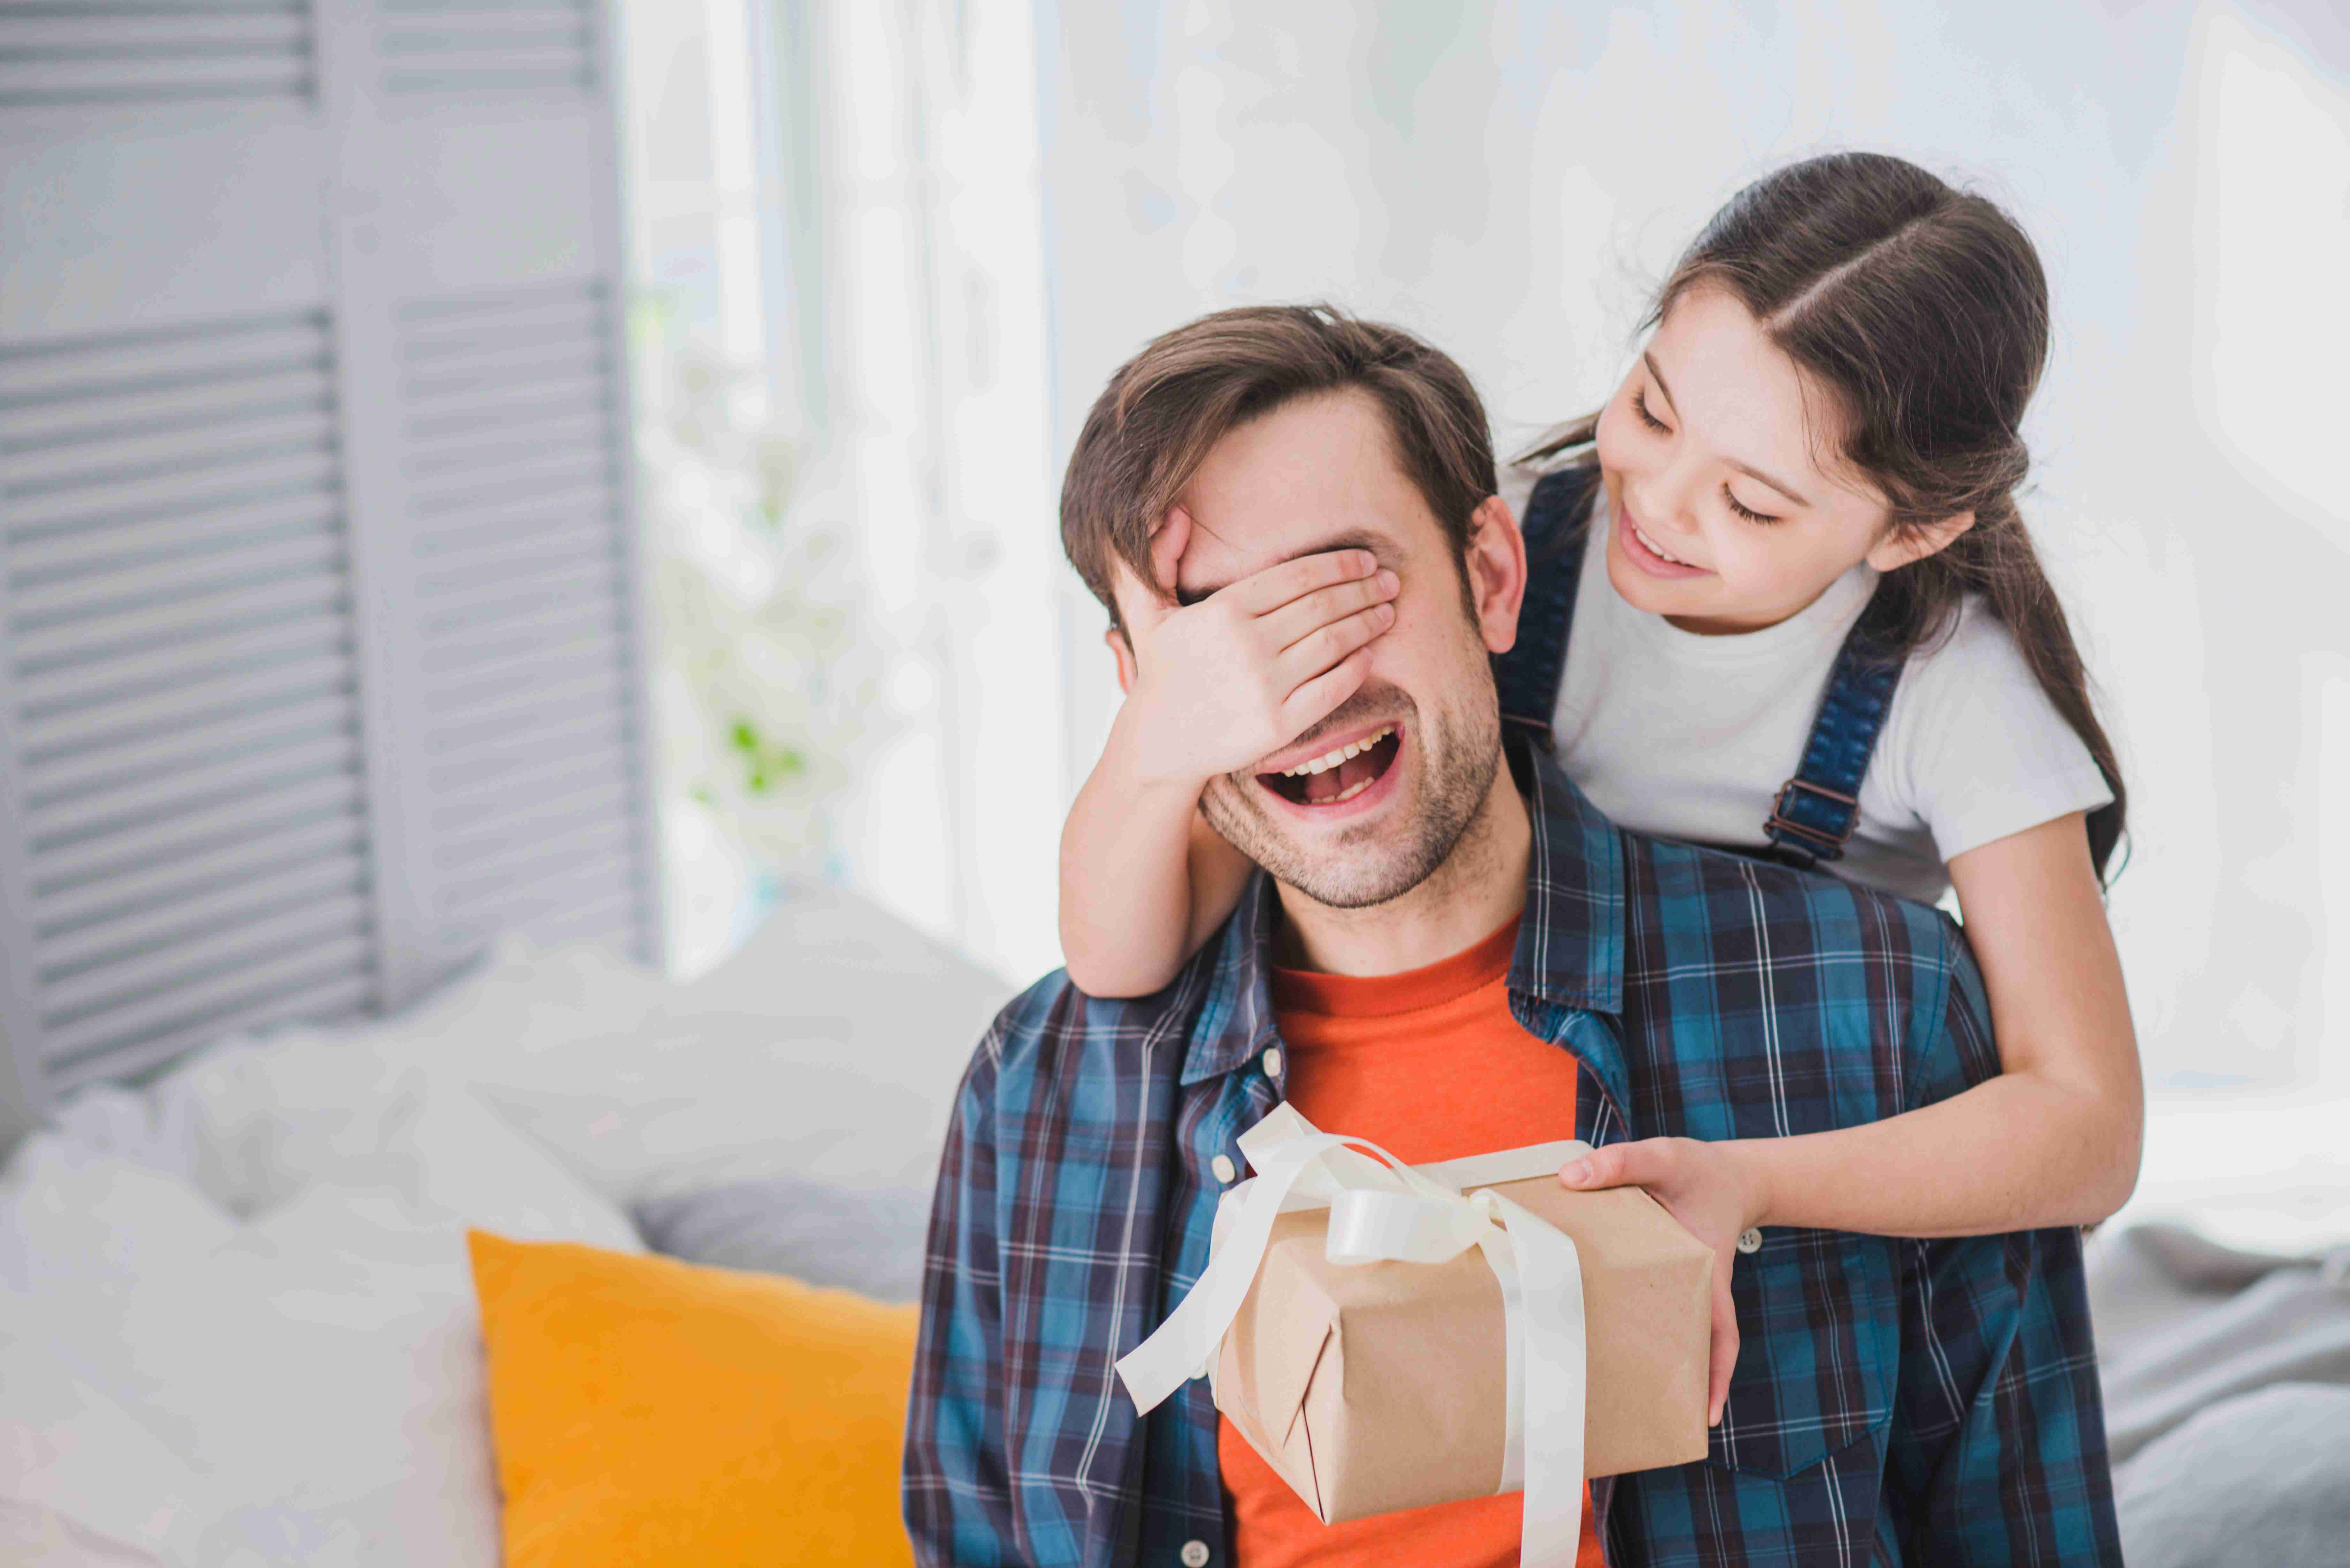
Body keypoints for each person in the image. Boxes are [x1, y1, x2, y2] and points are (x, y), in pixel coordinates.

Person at [906, 301, 2122, 1566]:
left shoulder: (1880, 1013)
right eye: (1216, 632)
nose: (1298, 686)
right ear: (1136, 690)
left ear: (1490, 576)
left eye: (1344, 590)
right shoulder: (1039, 1089)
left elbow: (2026, 1525)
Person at [1056, 153, 2142, 1401]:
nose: (1659, 505)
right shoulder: (1499, 541)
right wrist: (1164, 722)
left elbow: (2086, 1128)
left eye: (1748, 501)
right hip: (1461, 1138)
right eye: (1654, 409)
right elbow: (1120, 954)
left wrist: (1754, 1182)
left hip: (1758, 1198)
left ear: (1912, 531)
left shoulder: (1957, 694)